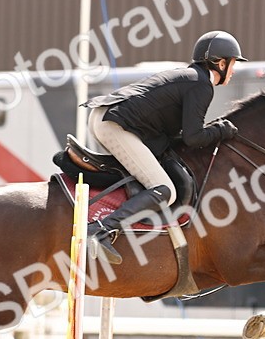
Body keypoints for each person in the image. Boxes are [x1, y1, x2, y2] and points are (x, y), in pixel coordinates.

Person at [81, 30, 247, 264]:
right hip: (114, 124)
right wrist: (222, 130)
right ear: (220, 63)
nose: (233, 70)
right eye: (232, 64)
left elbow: (179, 134)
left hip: (109, 117)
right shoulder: (201, 85)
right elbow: (193, 137)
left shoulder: (192, 77)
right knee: (163, 189)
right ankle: (100, 230)